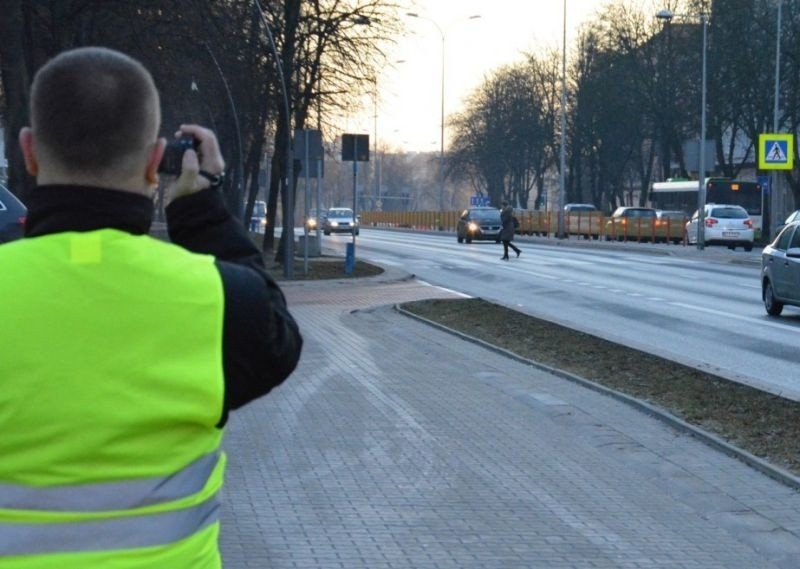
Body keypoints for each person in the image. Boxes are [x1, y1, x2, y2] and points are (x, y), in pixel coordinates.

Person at [0, 47, 302, 568]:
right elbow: (275, 332)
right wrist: (201, 210)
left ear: (29, 150)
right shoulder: (223, 300)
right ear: (154, 158)